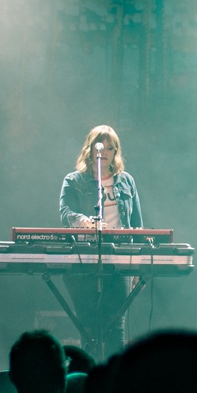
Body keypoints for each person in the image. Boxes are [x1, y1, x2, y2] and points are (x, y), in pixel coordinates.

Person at [57, 125, 147, 354]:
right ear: (90, 149)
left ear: (116, 152)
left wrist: (137, 265)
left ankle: (113, 380)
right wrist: (86, 222)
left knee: (116, 324)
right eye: (100, 146)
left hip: (119, 259)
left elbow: (137, 225)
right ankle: (88, 379)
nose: (104, 152)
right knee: (87, 324)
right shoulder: (74, 180)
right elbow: (66, 212)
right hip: (83, 258)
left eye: (110, 147)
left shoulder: (127, 181)